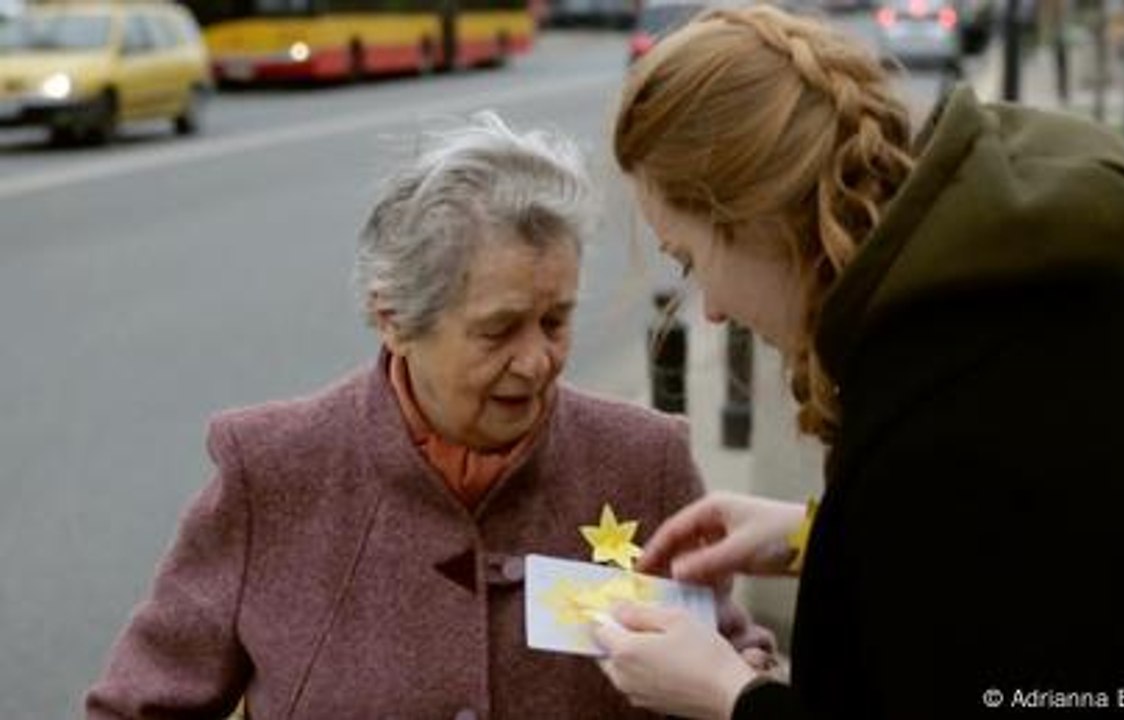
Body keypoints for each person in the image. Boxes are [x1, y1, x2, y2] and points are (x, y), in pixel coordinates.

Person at [593, 5, 1124, 719]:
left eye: (691, 260)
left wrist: (728, 693)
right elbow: (1045, 555)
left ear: (760, 219)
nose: (711, 311)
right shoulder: (1030, 249)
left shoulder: (932, 400)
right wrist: (820, 536)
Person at [85, 113, 773, 719]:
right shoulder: (272, 472)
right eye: (498, 330)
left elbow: (726, 665)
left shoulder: (642, 461)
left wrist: (748, 684)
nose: (537, 361)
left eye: (555, 320)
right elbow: (138, 705)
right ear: (394, 318)